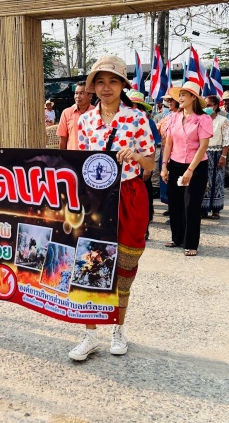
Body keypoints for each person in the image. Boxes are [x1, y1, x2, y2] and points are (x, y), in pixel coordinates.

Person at [69, 54, 155, 361]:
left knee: (126, 266)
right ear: (93, 87)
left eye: (113, 81)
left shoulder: (138, 118)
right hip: (96, 199)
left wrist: (136, 156)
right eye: (100, 82)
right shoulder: (85, 121)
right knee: (91, 263)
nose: (106, 87)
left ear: (122, 86)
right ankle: (90, 334)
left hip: (130, 194)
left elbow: (150, 164)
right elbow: (79, 162)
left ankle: (119, 328)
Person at [160, 81, 212, 256]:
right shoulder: (173, 117)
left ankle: (191, 244)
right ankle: (177, 237)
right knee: (175, 203)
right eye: (180, 95)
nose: (180, 98)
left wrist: (190, 170)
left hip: (196, 166)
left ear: (193, 98)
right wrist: (164, 165)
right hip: (175, 164)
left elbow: (203, 146)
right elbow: (168, 143)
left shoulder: (203, 119)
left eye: (184, 95)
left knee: (191, 205)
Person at [128, 90, 160, 239]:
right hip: (127, 168)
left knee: (144, 198)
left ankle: (144, 229)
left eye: (134, 105)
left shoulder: (148, 122)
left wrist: (148, 169)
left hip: (142, 165)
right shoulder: (122, 120)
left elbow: (153, 146)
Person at [201, 95, 229, 219]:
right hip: (202, 153)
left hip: (216, 154)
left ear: (215, 106)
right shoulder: (201, 119)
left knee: (217, 181)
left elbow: (227, 140)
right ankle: (203, 208)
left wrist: (223, 156)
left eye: (209, 105)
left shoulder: (223, 120)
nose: (206, 108)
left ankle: (216, 209)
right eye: (205, 105)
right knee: (203, 181)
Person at [57, 81, 95, 150]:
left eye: (81, 93)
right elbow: (63, 139)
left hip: (92, 155)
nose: (77, 96)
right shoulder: (67, 113)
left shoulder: (96, 113)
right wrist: (62, 156)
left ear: (90, 96)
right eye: (76, 93)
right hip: (72, 155)